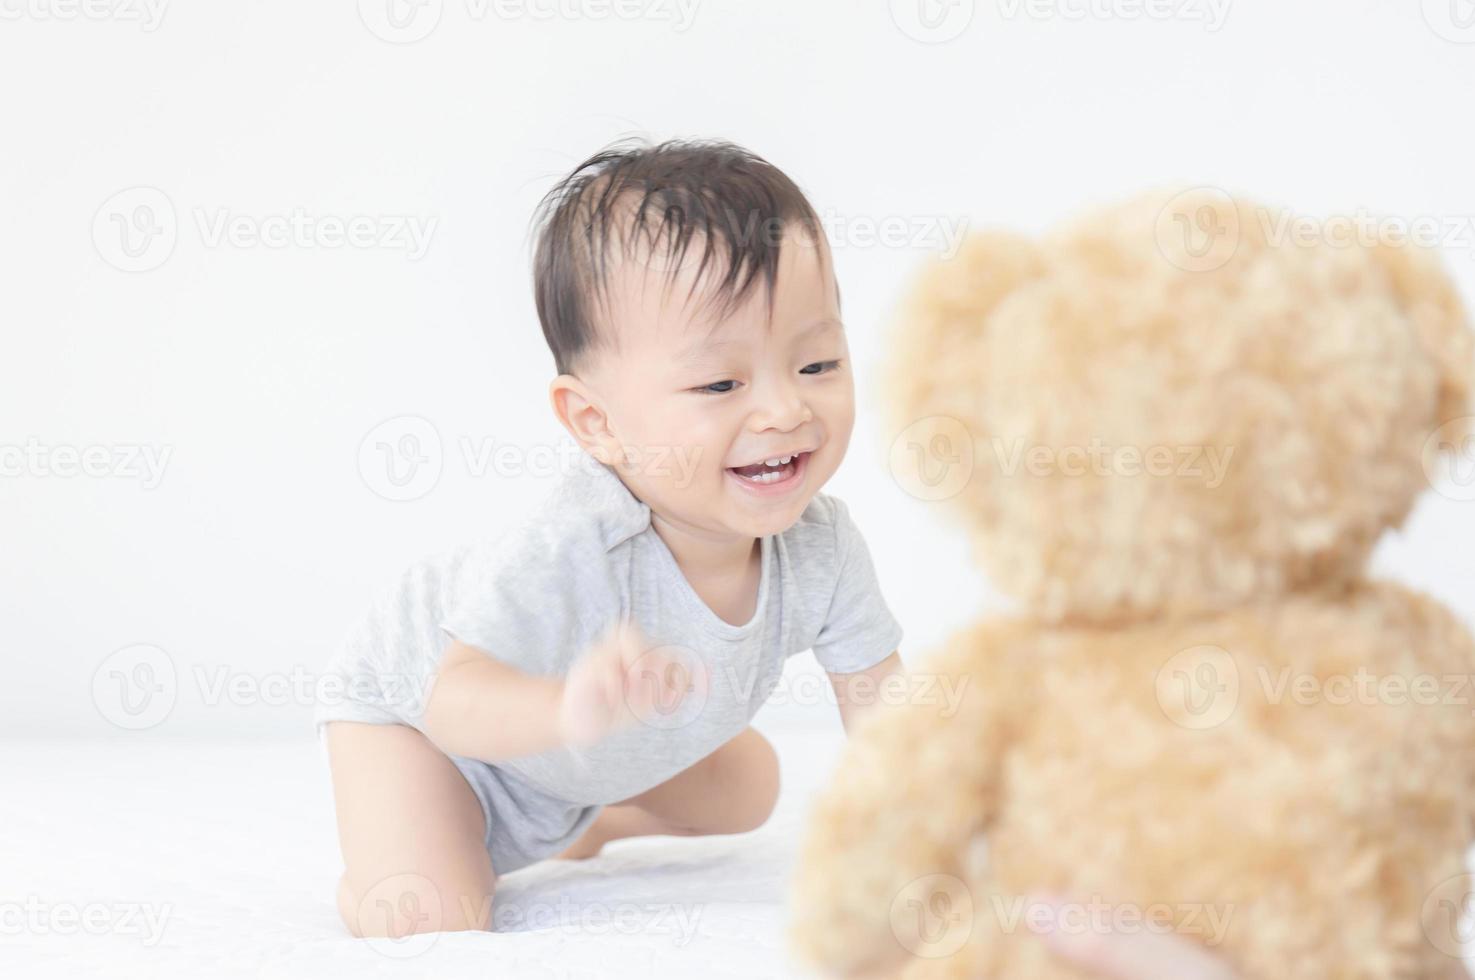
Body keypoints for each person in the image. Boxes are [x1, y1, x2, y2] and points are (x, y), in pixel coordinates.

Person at [314, 137, 908, 938]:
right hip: (423, 726)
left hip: (589, 746)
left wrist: (933, 839)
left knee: (749, 789)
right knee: (428, 914)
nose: (784, 411)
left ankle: (585, 821)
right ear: (597, 423)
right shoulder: (573, 545)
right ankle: (416, 856)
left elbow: (885, 714)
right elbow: (451, 705)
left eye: (817, 364)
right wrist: (566, 708)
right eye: (720, 383)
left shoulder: (822, 547)